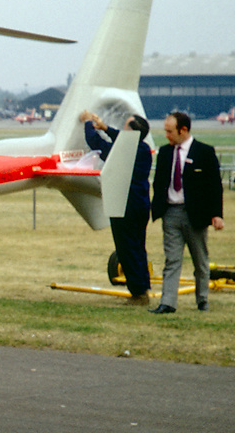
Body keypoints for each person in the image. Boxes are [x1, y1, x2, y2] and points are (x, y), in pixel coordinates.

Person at [148, 111, 225, 313]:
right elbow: (159, 183)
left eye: (169, 131)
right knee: (172, 259)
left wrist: (216, 214)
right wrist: (158, 209)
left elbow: (214, 186)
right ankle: (168, 302)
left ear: (183, 130)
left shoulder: (204, 152)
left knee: (200, 260)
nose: (166, 135)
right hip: (171, 213)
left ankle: (202, 300)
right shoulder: (165, 153)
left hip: (195, 215)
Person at [81, 110, 153, 303]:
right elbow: (122, 139)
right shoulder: (143, 148)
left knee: (126, 249)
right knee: (138, 247)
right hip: (141, 205)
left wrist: (88, 124)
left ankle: (138, 292)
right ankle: (143, 287)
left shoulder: (125, 150)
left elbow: (96, 144)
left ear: (131, 133)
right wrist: (104, 127)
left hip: (125, 205)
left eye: (125, 126)